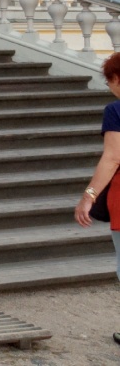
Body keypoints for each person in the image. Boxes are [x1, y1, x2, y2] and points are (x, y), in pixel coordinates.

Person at [74, 51, 120, 349]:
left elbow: (113, 156)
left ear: (116, 79)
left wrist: (88, 196)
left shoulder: (116, 110)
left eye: (109, 80)